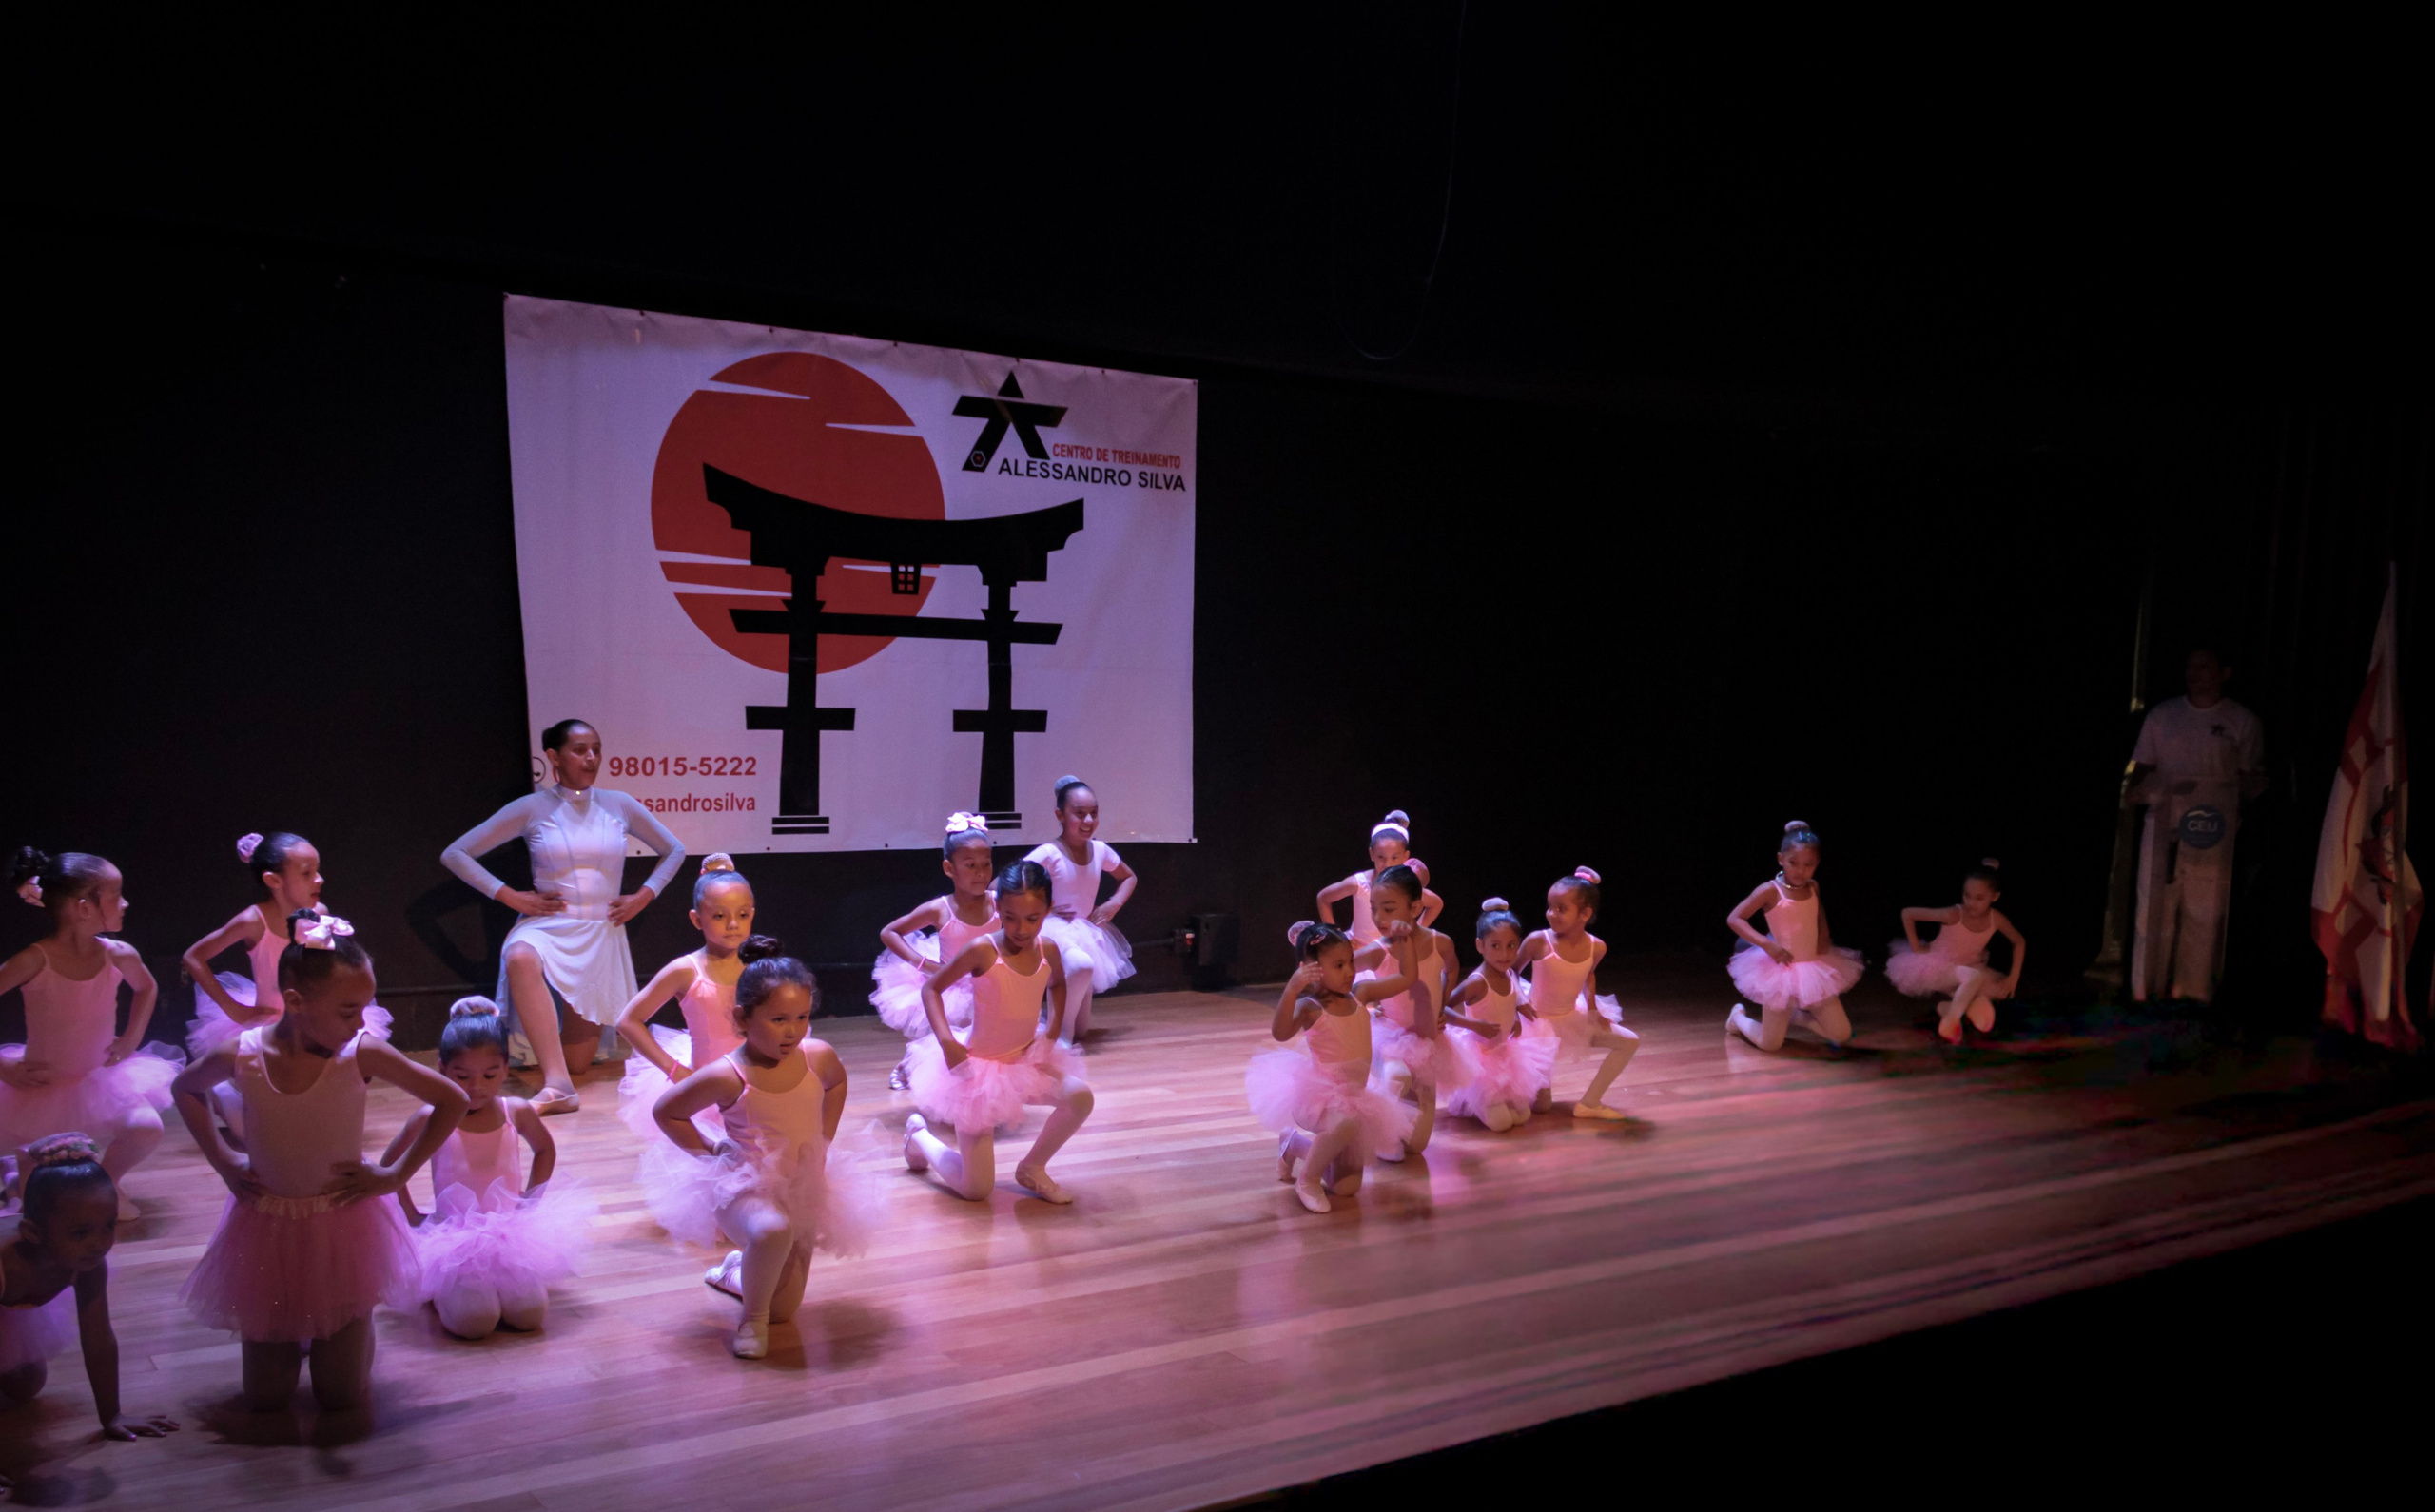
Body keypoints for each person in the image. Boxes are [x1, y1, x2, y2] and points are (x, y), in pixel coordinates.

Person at [172, 913, 467, 1412]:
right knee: (265, 1398)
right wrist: (222, 1158)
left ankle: (346, 1331)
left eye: (364, 1009)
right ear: (294, 1002)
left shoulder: (361, 1053)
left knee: (340, 1395)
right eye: (349, 1011)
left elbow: (452, 1099)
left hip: (343, 1222)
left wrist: (395, 1174)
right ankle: (300, 1334)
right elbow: (185, 1088)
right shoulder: (243, 1054)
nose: (361, 1023)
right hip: (267, 1222)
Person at [441, 718, 686, 1113]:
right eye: (579, 750)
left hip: (599, 933)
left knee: (579, 1062)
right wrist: (510, 897)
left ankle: (557, 1067)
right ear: (554, 757)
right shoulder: (533, 807)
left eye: (596, 750)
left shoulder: (619, 804)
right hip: (547, 926)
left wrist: (643, 896)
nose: (591, 758)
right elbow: (455, 854)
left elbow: (674, 849)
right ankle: (558, 1087)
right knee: (520, 955)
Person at [644, 945, 874, 1360]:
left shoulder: (817, 1057)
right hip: (745, 1189)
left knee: (784, 1311)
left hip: (802, 1185)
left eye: (802, 1017)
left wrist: (824, 1139)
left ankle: (738, 1273)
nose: (793, 1031)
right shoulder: (727, 1074)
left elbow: (837, 1083)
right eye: (779, 1019)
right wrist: (709, 1149)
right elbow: (667, 1112)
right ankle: (751, 1320)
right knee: (772, 1231)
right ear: (742, 1018)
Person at [386, 999, 592, 1340]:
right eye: (462, 1076)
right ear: (442, 1069)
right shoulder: (430, 1117)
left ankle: (477, 1292)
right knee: (475, 1322)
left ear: (506, 1068)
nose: (476, 1086)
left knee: (529, 1315)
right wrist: (410, 1214)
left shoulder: (517, 1111)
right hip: (453, 1239)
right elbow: (391, 1166)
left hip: (508, 1233)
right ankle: (442, 1290)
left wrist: (530, 1201)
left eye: (489, 1075)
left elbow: (544, 1150)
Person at [180, 831, 391, 1145]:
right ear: (274, 880)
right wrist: (234, 1010)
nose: (319, 879)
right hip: (270, 1022)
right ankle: (225, 1095)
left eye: (317, 870)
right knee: (257, 1135)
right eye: (307, 873)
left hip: (313, 1018)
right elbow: (194, 957)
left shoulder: (319, 915)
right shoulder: (253, 920)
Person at [902, 861, 1095, 1205]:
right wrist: (947, 1043)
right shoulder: (982, 950)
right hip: (976, 1074)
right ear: (998, 909)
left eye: (1032, 918)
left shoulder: (1048, 949)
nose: (1021, 928)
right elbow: (931, 989)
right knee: (976, 1189)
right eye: (1010, 917)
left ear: (1048, 910)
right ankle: (919, 1136)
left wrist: (1054, 1028)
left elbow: (1058, 983)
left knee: (1080, 1097)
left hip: (1026, 1062)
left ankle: (1033, 1167)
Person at [2, 849, 180, 1218]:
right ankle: (19, 1179)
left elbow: (147, 988)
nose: (125, 904)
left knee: (145, 1129)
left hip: (101, 1079)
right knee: (41, 1208)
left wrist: (131, 1039)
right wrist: (3, 1067)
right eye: (116, 895)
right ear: (84, 908)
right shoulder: (34, 960)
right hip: (42, 1088)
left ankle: (105, 1182)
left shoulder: (119, 954)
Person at [0, 1134, 179, 1459]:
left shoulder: (87, 1264)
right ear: (33, 1234)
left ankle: (11, 1185)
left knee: (26, 1385)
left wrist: (112, 1416)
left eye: (107, 1226)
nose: (98, 1244)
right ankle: (11, 1185)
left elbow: (98, 1339)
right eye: (80, 1232)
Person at [2125, 647, 2266, 1003]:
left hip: (2212, 836)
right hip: (2163, 832)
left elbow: (2249, 780)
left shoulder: (2242, 721)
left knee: (2203, 917)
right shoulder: (2163, 716)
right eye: (2190, 666)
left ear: (2224, 673)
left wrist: (2245, 792)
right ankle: (2146, 993)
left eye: (2203, 666)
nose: (2194, 672)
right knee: (2153, 915)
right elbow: (2140, 770)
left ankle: (2192, 996)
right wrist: (2136, 790)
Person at [1249, 922, 1420, 1212]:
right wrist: (1292, 988)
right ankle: (1307, 1181)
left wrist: (1405, 939)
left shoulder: (1361, 993)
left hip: (1357, 1098)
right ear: (1311, 970)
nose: (1350, 971)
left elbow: (1408, 977)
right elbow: (1280, 1032)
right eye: (1339, 965)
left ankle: (1293, 1145)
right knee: (1345, 1123)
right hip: (1321, 1099)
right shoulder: (1310, 1006)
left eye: (1350, 962)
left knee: (1345, 1188)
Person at [869, 816, 997, 1088]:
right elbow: (889, 932)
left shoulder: (1000, 903)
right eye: (971, 865)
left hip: (992, 984)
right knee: (943, 1041)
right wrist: (923, 963)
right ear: (949, 868)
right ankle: (908, 1066)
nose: (980, 873)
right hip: (953, 988)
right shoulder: (940, 909)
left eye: (986, 864)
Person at [1356, 863, 1466, 1160]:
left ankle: (1396, 1121)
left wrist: (1442, 1004)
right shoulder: (1378, 950)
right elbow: (1342, 968)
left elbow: (1451, 969)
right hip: (1390, 1037)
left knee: (1416, 1146)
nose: (1378, 917)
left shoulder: (1440, 942)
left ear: (1415, 908)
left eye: (1388, 909)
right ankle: (1378, 1131)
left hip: (1428, 1041)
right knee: (1398, 1075)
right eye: (1374, 909)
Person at [1725, 823, 1865, 1051]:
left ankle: (1794, 1016)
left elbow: (1818, 909)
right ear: (1781, 859)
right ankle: (1737, 1018)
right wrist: (1766, 945)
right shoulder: (1770, 890)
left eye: (1808, 864)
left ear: (1817, 864)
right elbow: (1734, 918)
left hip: (1812, 968)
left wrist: (1824, 933)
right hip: (1781, 969)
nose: (1801, 871)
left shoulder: (1813, 886)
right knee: (1770, 1044)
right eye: (1793, 863)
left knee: (1841, 1034)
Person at [1022, 777, 1137, 1044]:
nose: (1088, 820)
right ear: (1060, 815)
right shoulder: (1049, 853)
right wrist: (1043, 910)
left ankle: (1051, 1022)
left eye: (1093, 813)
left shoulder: (1100, 850)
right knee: (1081, 965)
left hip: (1084, 931)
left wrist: (1113, 904)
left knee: (1082, 1030)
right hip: (1053, 932)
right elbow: (1002, 886)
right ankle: (1059, 1032)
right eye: (1080, 813)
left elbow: (1129, 877)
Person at [1516, 868, 1639, 1117]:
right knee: (1541, 1106)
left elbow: (1588, 975)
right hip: (1537, 1024)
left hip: (1571, 1018)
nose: (1552, 913)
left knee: (1629, 1041)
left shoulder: (1597, 947)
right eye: (1550, 907)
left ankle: (1590, 1103)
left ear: (1585, 914)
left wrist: (1593, 1009)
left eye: (1561, 908)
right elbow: (1511, 973)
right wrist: (1519, 1001)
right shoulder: (1538, 941)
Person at [1442, 900, 1559, 1131]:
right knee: (1502, 1123)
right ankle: (1477, 1101)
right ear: (1480, 945)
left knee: (1522, 1116)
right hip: (1480, 1058)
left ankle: (1495, 1103)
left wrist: (1514, 1017)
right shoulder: (1477, 982)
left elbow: (1508, 1000)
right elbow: (1442, 1009)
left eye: (1511, 946)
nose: (1504, 954)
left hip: (1505, 1051)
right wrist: (1473, 1024)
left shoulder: (1509, 974)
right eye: (1495, 946)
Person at [1889, 860, 2027, 1042]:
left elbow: (2019, 942)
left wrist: (2013, 977)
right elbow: (1908, 913)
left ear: (1994, 897)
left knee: (2001, 989)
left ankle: (1950, 1008)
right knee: (1973, 977)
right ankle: (1951, 1021)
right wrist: (1916, 948)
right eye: (1967, 895)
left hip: (1965, 968)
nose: (1971, 903)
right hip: (1938, 968)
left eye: (1979, 898)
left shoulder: (1996, 919)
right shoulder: (1954, 914)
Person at [1315, 811, 1445, 942]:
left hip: (1392, 951)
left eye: (1394, 857)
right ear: (1372, 854)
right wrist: (1336, 937)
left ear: (1405, 856)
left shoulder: (1406, 888)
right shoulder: (1360, 884)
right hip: (1361, 950)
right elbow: (1323, 897)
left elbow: (1436, 904)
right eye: (1381, 857)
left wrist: (1415, 931)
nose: (1387, 864)